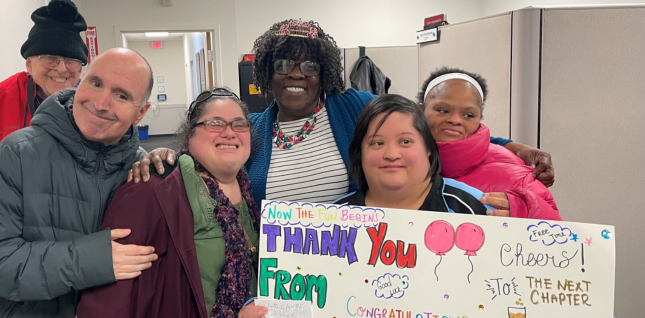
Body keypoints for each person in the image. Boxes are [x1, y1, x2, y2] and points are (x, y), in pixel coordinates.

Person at [132, 19, 554, 208]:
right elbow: (210, 159)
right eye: (283, 65)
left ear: (324, 73)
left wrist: (508, 145)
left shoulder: (350, 105)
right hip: (283, 276)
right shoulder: (254, 130)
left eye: (309, 66)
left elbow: (420, 127)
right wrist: (161, 156)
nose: (296, 75)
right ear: (267, 74)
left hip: (360, 262)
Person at [0, 48, 158, 318]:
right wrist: (89, 261)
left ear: (140, 113)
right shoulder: (17, 154)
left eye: (121, 95)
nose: (100, 103)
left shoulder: (140, 171)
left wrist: (167, 165)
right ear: (81, 82)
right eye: (95, 83)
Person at [76, 88, 266, 318]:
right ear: (190, 134)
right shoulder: (152, 189)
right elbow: (109, 299)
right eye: (215, 123)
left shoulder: (249, 193)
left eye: (239, 124)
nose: (229, 132)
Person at [0, 0, 89, 189]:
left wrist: (148, 156)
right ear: (29, 64)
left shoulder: (95, 103)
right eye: (50, 57)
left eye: (72, 59)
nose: (62, 68)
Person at [417, 67, 561, 220]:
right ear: (421, 110)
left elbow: (558, 231)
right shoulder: (394, 159)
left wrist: (527, 211)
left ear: (479, 118)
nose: (455, 120)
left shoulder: (516, 175)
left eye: (468, 115)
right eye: (443, 110)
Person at [334, 94, 488, 215]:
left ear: (428, 146)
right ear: (359, 152)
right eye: (378, 143)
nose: (392, 154)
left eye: (405, 141)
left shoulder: (474, 207)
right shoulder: (333, 218)